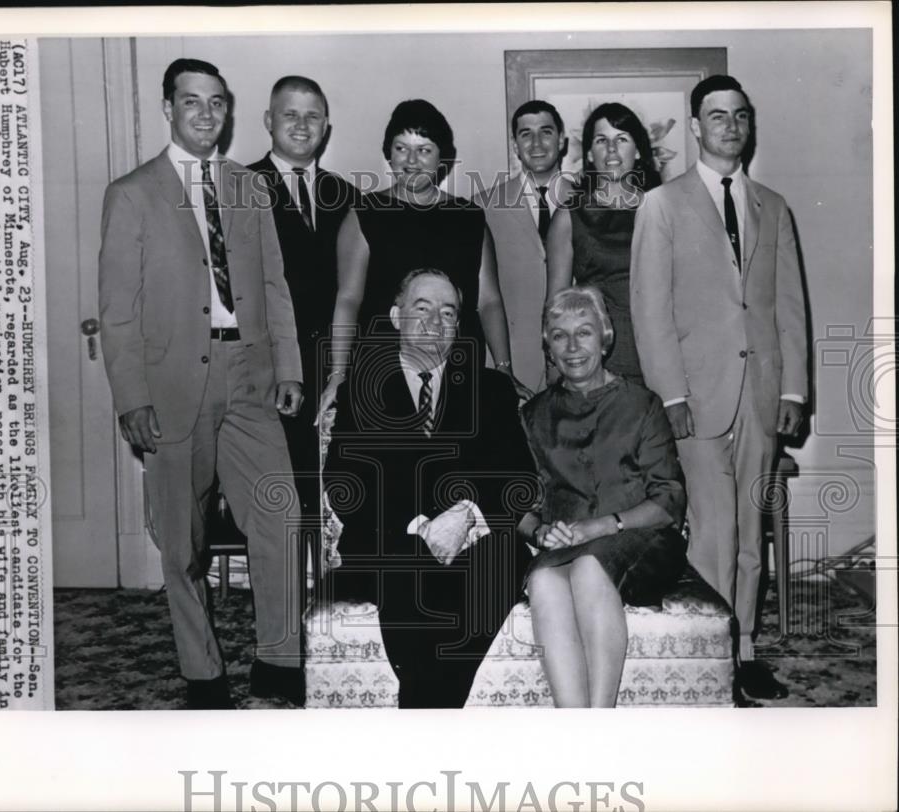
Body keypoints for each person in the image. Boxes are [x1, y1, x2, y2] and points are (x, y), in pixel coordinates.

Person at [98, 58, 304, 709]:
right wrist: (131, 396)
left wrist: (291, 369)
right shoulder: (132, 193)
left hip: (249, 375)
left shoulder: (247, 186)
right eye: (192, 102)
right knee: (180, 540)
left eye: (217, 103)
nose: (206, 114)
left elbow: (274, 286)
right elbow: (118, 308)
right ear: (169, 108)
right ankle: (202, 671)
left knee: (279, 514)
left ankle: (279, 659)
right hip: (170, 384)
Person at [630, 74, 807, 704]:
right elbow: (650, 309)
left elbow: (789, 308)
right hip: (697, 399)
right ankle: (710, 658)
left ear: (747, 125)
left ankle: (745, 650)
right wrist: (669, 396)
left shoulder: (774, 206)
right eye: (716, 115)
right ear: (697, 127)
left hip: (759, 395)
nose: (729, 125)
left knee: (750, 533)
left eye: (739, 115)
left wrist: (794, 391)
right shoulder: (663, 204)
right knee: (712, 534)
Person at [323, 269, 537, 708]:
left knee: (506, 555)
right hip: (391, 543)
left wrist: (464, 516)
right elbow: (345, 480)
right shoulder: (361, 390)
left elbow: (518, 477)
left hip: (477, 543)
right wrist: (424, 525)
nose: (435, 322)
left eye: (448, 312)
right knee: (408, 566)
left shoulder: (491, 390)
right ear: (397, 317)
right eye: (422, 309)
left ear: (459, 327)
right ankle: (436, 717)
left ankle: (422, 714)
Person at [518, 286, 687, 707]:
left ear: (605, 338)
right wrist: (539, 532)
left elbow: (669, 500)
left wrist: (602, 526)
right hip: (567, 547)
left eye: (584, 332)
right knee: (542, 579)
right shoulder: (532, 415)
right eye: (559, 335)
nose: (572, 347)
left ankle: (599, 722)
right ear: (548, 345)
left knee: (590, 568)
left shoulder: (642, 404)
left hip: (641, 540)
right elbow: (518, 503)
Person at [317, 99, 530, 416]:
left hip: (458, 366)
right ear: (388, 153)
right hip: (382, 372)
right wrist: (338, 375)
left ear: (442, 157)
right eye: (402, 148)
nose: (411, 160)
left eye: (424, 150)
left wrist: (503, 369)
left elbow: (488, 301)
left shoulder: (469, 217)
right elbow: (348, 299)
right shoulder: (364, 214)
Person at [247, 76, 361, 578]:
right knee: (281, 496)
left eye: (312, 115)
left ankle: (330, 602)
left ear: (326, 127)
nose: (301, 125)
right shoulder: (238, 188)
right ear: (269, 121)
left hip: (335, 368)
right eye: (289, 114)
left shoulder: (349, 194)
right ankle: (286, 616)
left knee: (335, 491)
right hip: (270, 370)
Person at [545, 102, 661, 386]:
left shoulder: (664, 210)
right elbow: (555, 304)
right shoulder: (569, 216)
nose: (611, 150)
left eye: (621, 139)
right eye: (601, 141)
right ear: (588, 153)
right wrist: (555, 373)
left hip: (662, 356)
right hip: (599, 362)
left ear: (639, 151)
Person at [477, 100, 572, 393]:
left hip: (577, 356)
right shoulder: (481, 206)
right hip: (510, 363)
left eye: (546, 132)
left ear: (562, 140)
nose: (536, 143)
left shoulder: (590, 201)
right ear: (515, 145)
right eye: (525, 134)